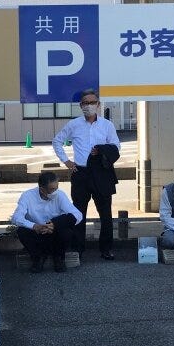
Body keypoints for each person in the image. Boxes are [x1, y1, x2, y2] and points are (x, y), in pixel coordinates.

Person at [52, 88, 120, 260]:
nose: (89, 106)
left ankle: (106, 249)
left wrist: (102, 150)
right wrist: (67, 161)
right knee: (78, 213)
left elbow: (116, 146)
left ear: (98, 104)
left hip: (101, 173)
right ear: (81, 105)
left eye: (92, 102)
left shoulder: (107, 125)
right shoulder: (74, 124)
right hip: (80, 173)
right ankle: (78, 249)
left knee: (105, 214)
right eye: (85, 103)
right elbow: (57, 141)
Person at [11, 171, 83, 272]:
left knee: (67, 230)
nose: (55, 191)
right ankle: (37, 258)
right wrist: (34, 226)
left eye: (57, 187)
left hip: (54, 233)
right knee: (22, 231)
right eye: (52, 189)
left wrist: (54, 224)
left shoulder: (60, 195)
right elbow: (16, 217)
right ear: (42, 189)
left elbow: (78, 215)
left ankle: (59, 258)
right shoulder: (27, 195)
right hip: (37, 233)